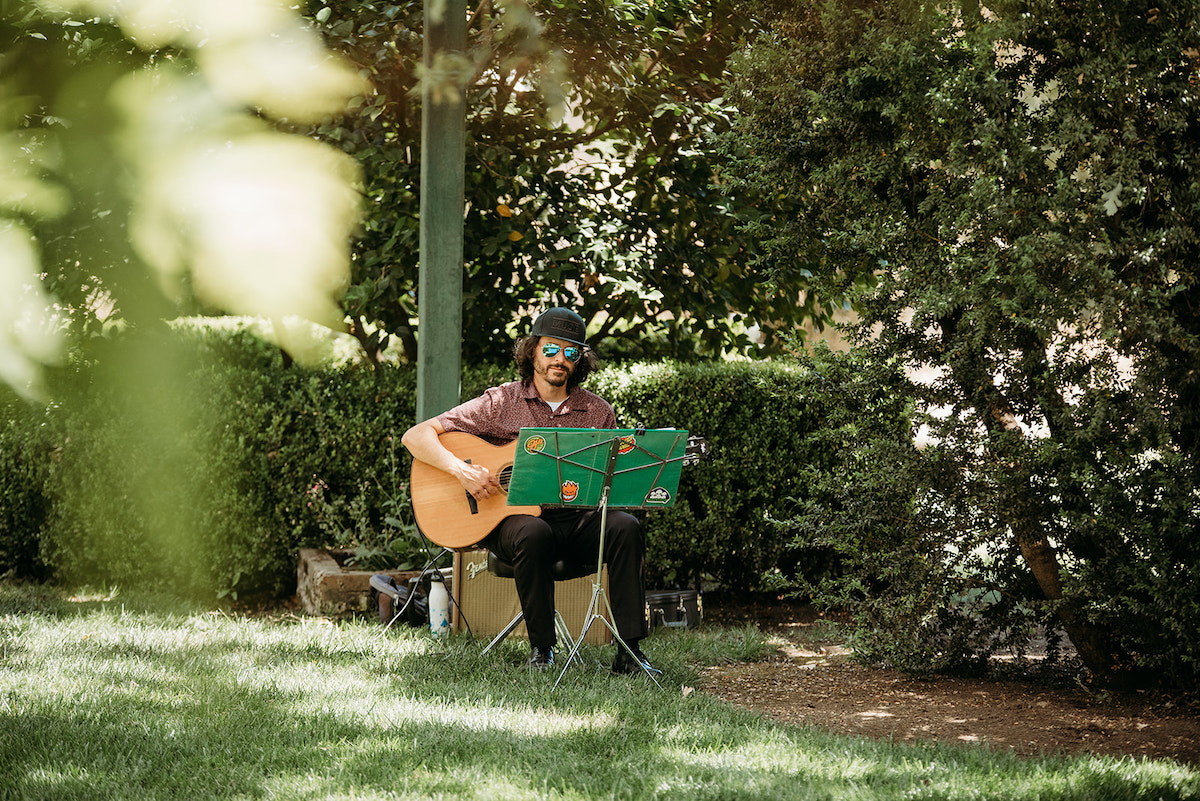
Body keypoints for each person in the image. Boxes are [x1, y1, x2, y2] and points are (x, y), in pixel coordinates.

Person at [401, 307, 659, 674]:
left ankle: (629, 653)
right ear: (533, 350)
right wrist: (462, 471)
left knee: (625, 526)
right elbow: (416, 436)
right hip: (512, 521)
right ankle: (542, 650)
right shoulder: (502, 402)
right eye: (551, 348)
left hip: (575, 520)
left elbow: (607, 481)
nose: (560, 359)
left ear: (580, 360)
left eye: (571, 352)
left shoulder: (597, 412)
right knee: (532, 530)